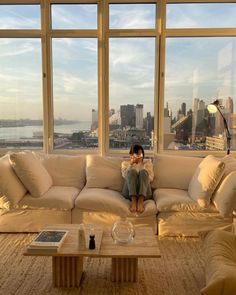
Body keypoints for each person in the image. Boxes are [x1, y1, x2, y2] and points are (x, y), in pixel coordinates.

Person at [121, 144, 154, 213]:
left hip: (145, 193)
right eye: (137, 154)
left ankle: (140, 201)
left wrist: (143, 169)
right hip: (128, 193)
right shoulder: (125, 164)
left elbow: (151, 178)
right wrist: (131, 164)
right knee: (132, 172)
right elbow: (124, 176)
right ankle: (134, 201)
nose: (139, 156)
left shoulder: (148, 164)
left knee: (143, 172)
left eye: (141, 154)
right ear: (131, 154)